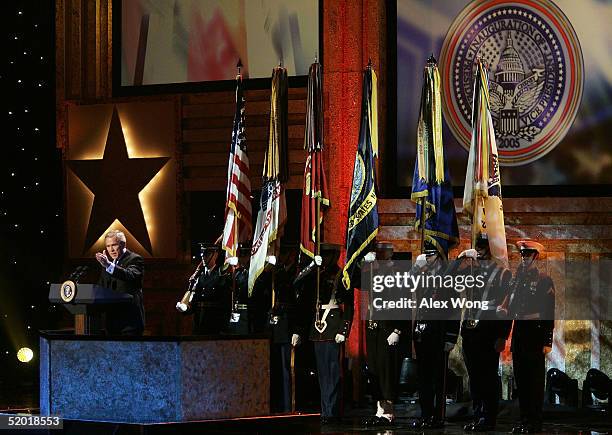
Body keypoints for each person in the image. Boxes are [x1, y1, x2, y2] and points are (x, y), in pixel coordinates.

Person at [454, 235, 513, 432]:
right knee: (475, 377)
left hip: (489, 332)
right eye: (477, 246)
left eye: (483, 247)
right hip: (470, 332)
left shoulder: (503, 274)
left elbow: (507, 307)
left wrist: (502, 335)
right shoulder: (471, 271)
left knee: (488, 377)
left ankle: (488, 418)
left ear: (492, 249)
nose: (479, 250)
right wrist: (460, 258)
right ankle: (478, 415)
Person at [294, 243, 352, 425]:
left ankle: (333, 412)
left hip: (333, 327)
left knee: (333, 374)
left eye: (328, 255)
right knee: (322, 375)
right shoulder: (315, 274)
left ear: (335, 256)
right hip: (317, 329)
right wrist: (312, 265)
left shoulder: (341, 274)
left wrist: (344, 330)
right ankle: (326, 410)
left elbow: (349, 305)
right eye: (323, 255)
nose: (326, 258)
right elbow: (296, 283)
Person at [508, 240, 555, 434]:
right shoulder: (518, 278)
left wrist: (547, 340)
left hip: (535, 334)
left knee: (534, 382)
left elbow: (549, 312)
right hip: (519, 332)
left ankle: (534, 422)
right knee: (521, 380)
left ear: (535, 256)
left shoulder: (544, 279)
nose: (524, 258)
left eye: (527, 255)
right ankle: (523, 418)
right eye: (522, 255)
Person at [411, 245, 459, 429]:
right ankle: (425, 415)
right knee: (423, 378)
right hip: (423, 333)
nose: (427, 259)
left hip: (439, 333)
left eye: (430, 256)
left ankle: (437, 417)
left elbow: (454, 309)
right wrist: (416, 268)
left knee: (438, 378)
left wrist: (451, 337)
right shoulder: (422, 276)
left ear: (438, 257)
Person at [361, 242, 407, 426]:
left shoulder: (397, 273)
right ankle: (379, 410)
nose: (378, 255)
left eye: (381, 253)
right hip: (373, 327)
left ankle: (389, 411)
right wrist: (364, 265)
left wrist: (397, 330)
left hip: (389, 328)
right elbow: (354, 283)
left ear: (389, 254)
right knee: (374, 369)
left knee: (387, 370)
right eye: (377, 253)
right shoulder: (372, 272)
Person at [95, 229, 145, 335]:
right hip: (111, 322)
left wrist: (109, 265)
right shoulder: (107, 265)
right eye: (108, 246)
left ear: (123, 244)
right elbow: (101, 289)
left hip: (129, 322)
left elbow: (130, 275)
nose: (111, 249)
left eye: (114, 245)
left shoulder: (135, 259)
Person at [192, 244, 231, 335]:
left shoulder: (221, 276)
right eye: (203, 254)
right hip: (200, 321)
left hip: (215, 322)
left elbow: (226, 302)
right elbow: (195, 300)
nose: (203, 257)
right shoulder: (200, 276)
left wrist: (224, 326)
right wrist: (186, 308)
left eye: (207, 254)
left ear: (215, 255)